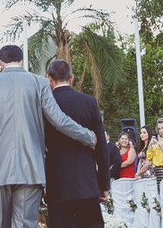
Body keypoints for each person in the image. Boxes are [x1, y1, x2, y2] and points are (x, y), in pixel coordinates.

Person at [0, 44, 94, 228]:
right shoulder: (40, 83)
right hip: (31, 169)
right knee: (26, 225)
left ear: (0, 64)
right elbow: (58, 120)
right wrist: (87, 136)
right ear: (22, 62)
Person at [43, 59, 108, 228]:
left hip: (56, 183)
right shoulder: (89, 102)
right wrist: (103, 184)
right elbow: (101, 145)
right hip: (86, 181)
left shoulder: (44, 105)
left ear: (49, 78)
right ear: (71, 78)